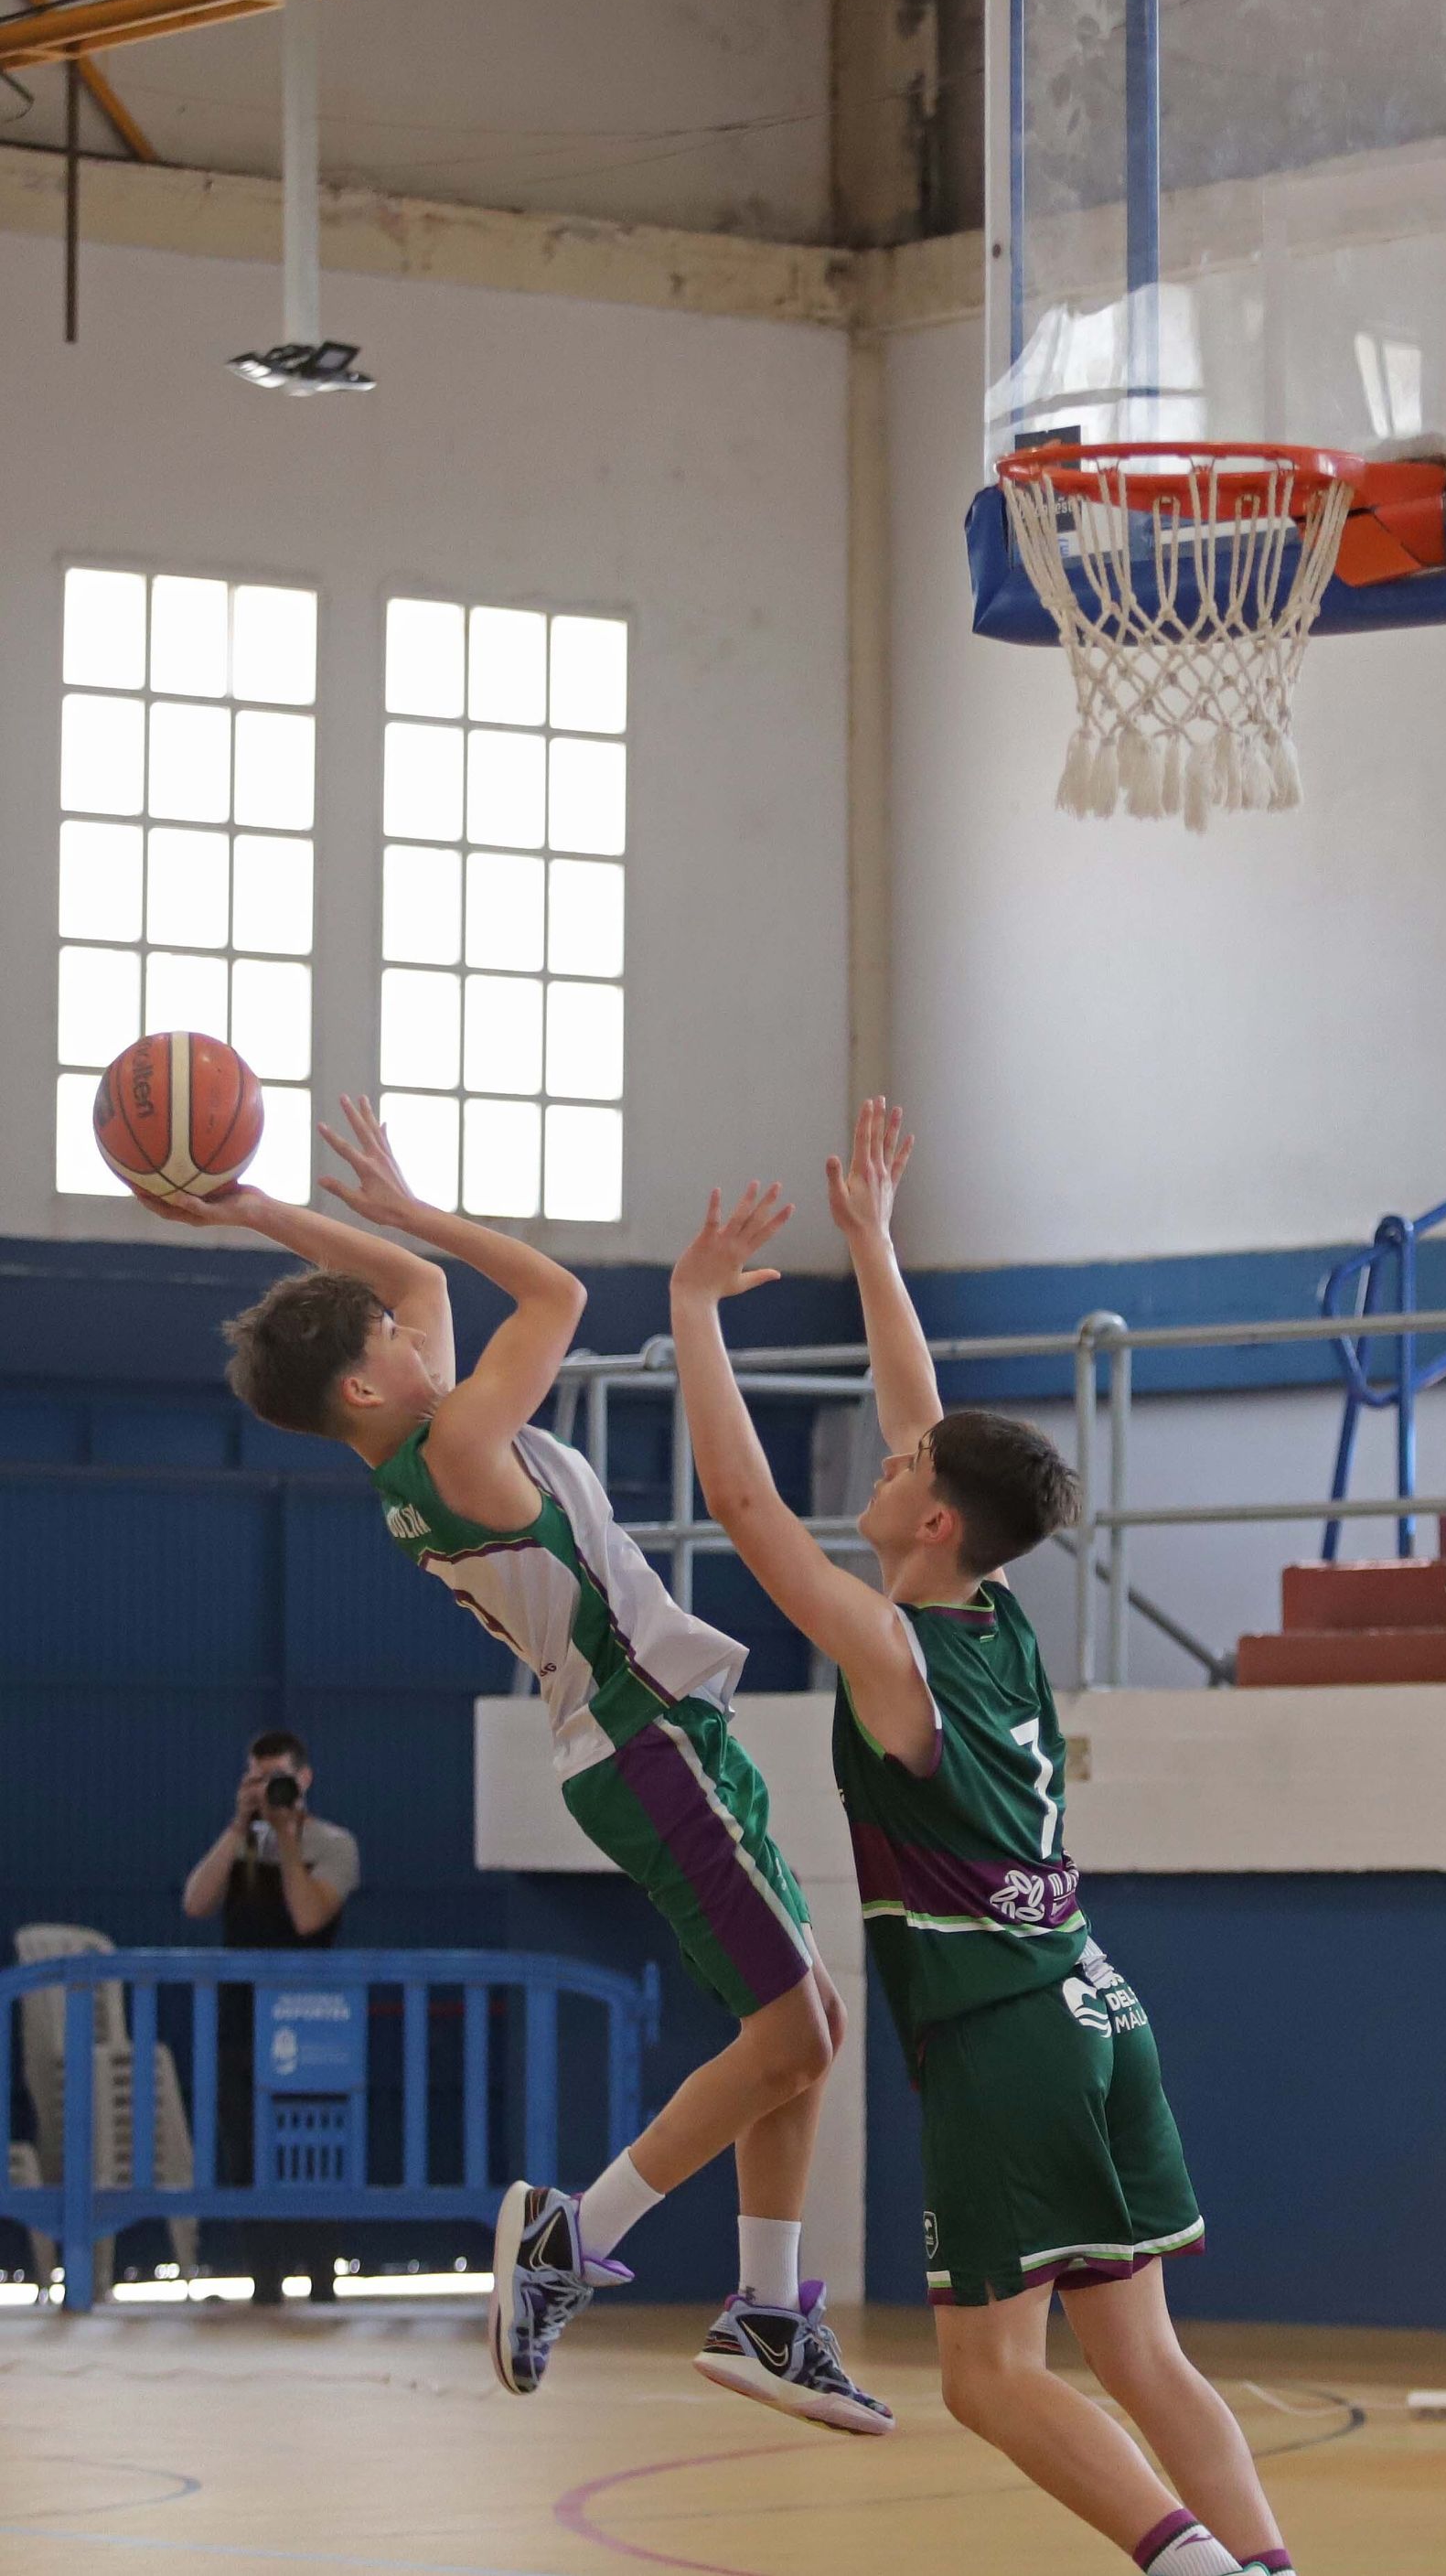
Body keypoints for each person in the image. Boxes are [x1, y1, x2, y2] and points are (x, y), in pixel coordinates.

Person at [141, 1097, 889, 2432]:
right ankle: (569, 2235)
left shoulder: (410, 1448)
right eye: (381, 1335)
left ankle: (767, 2309)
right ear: (371, 1385)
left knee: (806, 2026)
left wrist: (253, 1212)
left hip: (646, 1736)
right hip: (643, 1736)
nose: (408, 1317)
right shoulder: (463, 1442)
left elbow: (417, 1282)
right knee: (798, 2029)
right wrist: (404, 1206)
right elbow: (547, 1287)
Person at [667, 1099, 1295, 2576]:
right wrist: (876, 1243)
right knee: (1142, 2358)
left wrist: (694, 1309)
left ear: (937, 1526)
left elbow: (745, 1508)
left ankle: (1199, 2573)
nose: (882, 1472)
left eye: (898, 1480)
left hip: (1007, 2037)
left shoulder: (896, 1653)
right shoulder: (996, 1615)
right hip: (1094, 2007)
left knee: (987, 2378)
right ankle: (1268, 2568)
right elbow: (920, 1415)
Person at [182, 1728, 360, 2302]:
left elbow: (309, 1917)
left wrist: (286, 1838)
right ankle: (262, 2282)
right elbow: (195, 1902)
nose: (269, 1790)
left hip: (313, 2025)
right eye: (257, 1779)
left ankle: (321, 2280)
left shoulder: (334, 1845)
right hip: (240, 2024)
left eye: (278, 1778)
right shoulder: (239, 1843)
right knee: (246, 2152)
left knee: (314, 2149)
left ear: (304, 1779)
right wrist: (241, 1826)